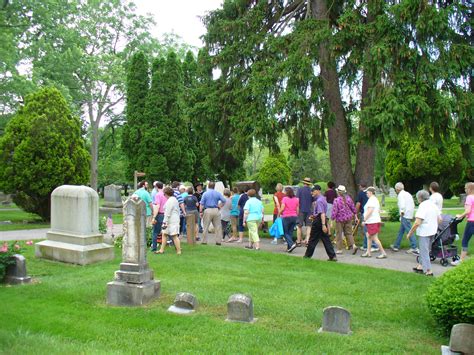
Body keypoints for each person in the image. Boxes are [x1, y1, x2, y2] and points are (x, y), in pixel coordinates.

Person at [407, 190, 441, 276]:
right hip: (433, 231)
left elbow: (417, 222)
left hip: (424, 232)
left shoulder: (422, 206)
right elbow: (440, 219)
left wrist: (410, 233)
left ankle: (428, 270)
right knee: (426, 250)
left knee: (424, 251)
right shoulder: (433, 204)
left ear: (420, 198)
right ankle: (420, 266)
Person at [304, 185, 337, 261]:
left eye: (313, 191)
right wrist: (314, 216)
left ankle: (307, 255)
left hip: (319, 221)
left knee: (312, 239)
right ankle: (332, 256)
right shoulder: (323, 199)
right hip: (321, 219)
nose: (312, 192)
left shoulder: (319, 201)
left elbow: (322, 213)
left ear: (318, 191)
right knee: (326, 239)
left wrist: (323, 225)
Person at [390, 182, 419, 254]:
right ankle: (396, 245)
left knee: (409, 231)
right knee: (401, 231)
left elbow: (402, 206)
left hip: (405, 215)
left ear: (397, 189)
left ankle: (414, 247)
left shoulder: (400, 195)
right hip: (409, 214)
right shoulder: (407, 194)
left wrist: (402, 214)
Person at [331, 185, 358, 255]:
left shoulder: (336, 200)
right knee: (349, 233)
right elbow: (353, 209)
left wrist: (332, 219)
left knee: (339, 234)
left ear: (338, 192)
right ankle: (353, 245)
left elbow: (334, 211)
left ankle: (340, 249)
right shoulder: (348, 199)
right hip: (348, 218)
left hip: (339, 219)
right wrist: (356, 216)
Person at [452, 182, 474, 266]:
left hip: (471, 222)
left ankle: (461, 260)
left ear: (470, 189)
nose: (465, 190)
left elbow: (468, 211)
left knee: (465, 240)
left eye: (465, 188)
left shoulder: (469, 197)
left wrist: (460, 216)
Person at [361, 186, 387, 258]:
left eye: (367, 192)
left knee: (374, 238)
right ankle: (368, 252)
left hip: (372, 221)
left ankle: (383, 253)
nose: (366, 193)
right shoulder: (372, 199)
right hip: (371, 221)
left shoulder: (372, 200)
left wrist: (364, 219)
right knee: (368, 236)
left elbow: (370, 211)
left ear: (371, 192)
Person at [156, 187, 181, 255]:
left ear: (166, 194)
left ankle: (178, 251)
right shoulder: (173, 199)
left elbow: (167, 212)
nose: (164, 195)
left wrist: (165, 222)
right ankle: (161, 250)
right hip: (172, 219)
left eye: (164, 194)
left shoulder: (170, 201)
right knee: (164, 234)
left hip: (171, 220)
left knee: (174, 235)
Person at [355, 182, 378, 252]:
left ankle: (374, 245)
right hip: (369, 214)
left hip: (366, 214)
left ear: (361, 186)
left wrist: (355, 212)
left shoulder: (361, 193)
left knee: (367, 230)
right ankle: (365, 245)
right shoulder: (371, 196)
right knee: (366, 230)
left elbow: (358, 204)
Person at [280, 186, 299, 253]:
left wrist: (279, 213)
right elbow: (297, 210)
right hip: (294, 216)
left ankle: (291, 244)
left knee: (285, 232)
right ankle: (289, 248)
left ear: (286, 192)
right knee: (290, 232)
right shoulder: (296, 199)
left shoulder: (285, 199)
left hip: (286, 217)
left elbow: (282, 208)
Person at [151, 181, 167, 252]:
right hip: (166, 214)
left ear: (156, 187)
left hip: (160, 214)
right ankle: (176, 246)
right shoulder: (165, 194)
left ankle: (154, 247)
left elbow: (157, 206)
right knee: (167, 231)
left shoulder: (158, 195)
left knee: (155, 232)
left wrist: (154, 217)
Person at [297, 177, 313, 246]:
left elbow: (297, 200)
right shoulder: (311, 190)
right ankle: (307, 240)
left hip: (301, 210)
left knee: (299, 226)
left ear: (303, 183)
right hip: (309, 210)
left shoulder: (300, 190)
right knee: (309, 226)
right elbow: (313, 201)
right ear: (309, 184)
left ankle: (298, 241)